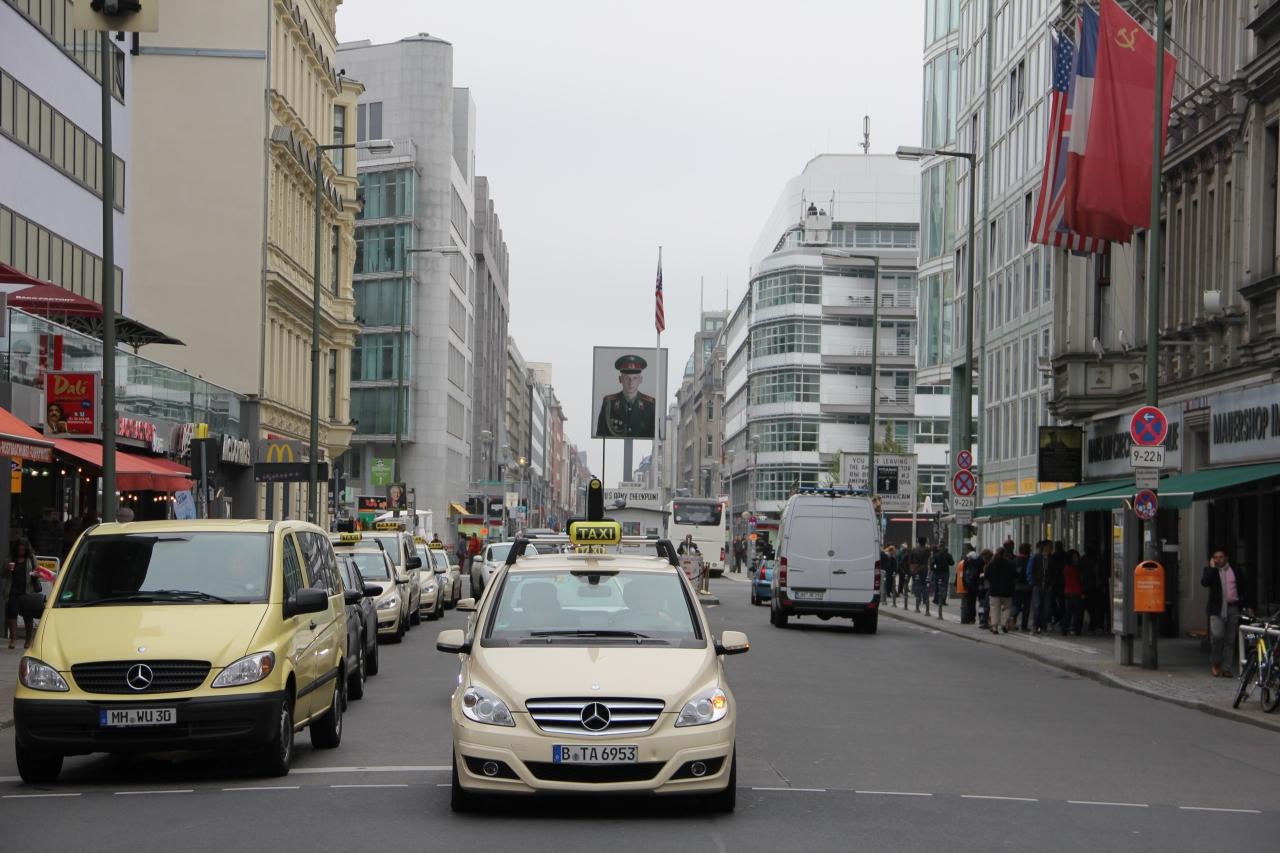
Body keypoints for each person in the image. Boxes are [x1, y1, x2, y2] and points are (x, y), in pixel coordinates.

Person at [1201, 550, 1250, 677]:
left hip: (1233, 607)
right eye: (1215, 557)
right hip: (1216, 609)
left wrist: (1247, 605)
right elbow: (1204, 582)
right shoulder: (1211, 571)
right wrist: (1212, 568)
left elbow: (1243, 588)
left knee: (1230, 639)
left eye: (1221, 557)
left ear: (1226, 558)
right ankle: (1216, 662)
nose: (1218, 559)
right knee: (1218, 636)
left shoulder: (1235, 570)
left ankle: (1227, 668)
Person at [595, 354, 656, 438]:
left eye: (635, 378)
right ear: (620, 379)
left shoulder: (650, 405)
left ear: (640, 380)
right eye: (627, 378)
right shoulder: (609, 403)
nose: (631, 382)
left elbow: (656, 437)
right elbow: (600, 435)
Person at [4, 539, 41, 649]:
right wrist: (7, 569)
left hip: (27, 590)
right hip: (12, 590)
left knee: (27, 615)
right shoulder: (10, 558)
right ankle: (13, 639)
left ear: (26, 548)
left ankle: (28, 639)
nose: (21, 549)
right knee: (12, 614)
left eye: (23, 547)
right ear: (16, 548)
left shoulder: (31, 558)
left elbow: (38, 571)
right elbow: (2, 574)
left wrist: (36, 574)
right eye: (19, 547)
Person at [985, 546, 1017, 634]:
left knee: (994, 609)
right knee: (1007, 608)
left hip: (994, 590)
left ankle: (994, 627)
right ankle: (1004, 624)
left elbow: (986, 576)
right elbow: (1015, 575)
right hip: (1007, 590)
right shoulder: (1010, 564)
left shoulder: (991, 564)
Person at [1061, 549, 1085, 636]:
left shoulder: (1066, 568)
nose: (1076, 559)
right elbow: (1076, 582)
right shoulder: (1074, 569)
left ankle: (1064, 629)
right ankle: (1077, 630)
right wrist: (1081, 593)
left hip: (1067, 591)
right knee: (1077, 612)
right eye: (1074, 557)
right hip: (1075, 592)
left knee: (1068, 612)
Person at [1029, 540, 1050, 634]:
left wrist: (1052, 584)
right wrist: (1032, 582)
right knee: (1037, 606)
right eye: (1048, 547)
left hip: (1047, 586)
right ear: (1043, 548)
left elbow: (1054, 572)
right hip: (1037, 585)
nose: (1049, 549)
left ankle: (1043, 626)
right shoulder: (1036, 558)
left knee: (1046, 608)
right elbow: (1030, 571)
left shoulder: (1050, 559)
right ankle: (1035, 625)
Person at [929, 542, 953, 620]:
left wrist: (934, 569)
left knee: (937, 586)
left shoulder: (936, 555)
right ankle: (943, 600)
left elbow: (932, 564)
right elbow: (952, 563)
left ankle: (936, 599)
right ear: (944, 547)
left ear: (939, 547)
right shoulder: (948, 555)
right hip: (945, 572)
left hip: (937, 573)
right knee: (944, 586)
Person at [1012, 543, 1032, 631]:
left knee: (1016, 605)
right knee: (1026, 607)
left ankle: (1012, 622)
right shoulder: (1029, 560)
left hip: (1017, 586)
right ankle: (1024, 626)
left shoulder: (1015, 560)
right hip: (1027, 586)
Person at [960, 544, 981, 624]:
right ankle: (973, 618)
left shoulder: (966, 559)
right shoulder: (978, 559)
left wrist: (963, 583)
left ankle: (967, 618)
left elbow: (963, 572)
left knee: (968, 602)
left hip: (968, 583)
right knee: (973, 601)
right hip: (975, 582)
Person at [909, 537, 930, 614]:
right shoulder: (927, 549)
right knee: (924, 584)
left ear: (918, 541)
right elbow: (928, 557)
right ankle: (924, 599)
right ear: (925, 542)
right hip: (924, 568)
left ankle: (918, 599)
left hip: (916, 568)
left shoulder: (914, 550)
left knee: (917, 584)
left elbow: (910, 560)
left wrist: (912, 567)